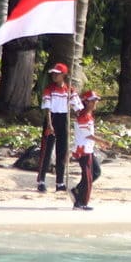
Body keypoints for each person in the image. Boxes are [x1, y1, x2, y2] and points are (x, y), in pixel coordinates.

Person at [37, 63, 82, 193]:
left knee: (62, 151)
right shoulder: (49, 89)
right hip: (52, 119)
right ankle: (41, 181)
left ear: (63, 75)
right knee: (46, 150)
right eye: (54, 73)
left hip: (64, 120)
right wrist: (49, 124)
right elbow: (47, 108)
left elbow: (78, 108)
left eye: (57, 73)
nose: (54, 75)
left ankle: (60, 182)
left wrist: (80, 120)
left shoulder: (69, 90)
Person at [71, 90, 108, 211]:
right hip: (83, 150)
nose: (95, 102)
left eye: (95, 100)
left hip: (88, 149)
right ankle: (80, 202)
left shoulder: (87, 114)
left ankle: (77, 191)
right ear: (86, 102)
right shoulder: (83, 116)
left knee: (95, 172)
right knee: (87, 177)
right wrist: (102, 141)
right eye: (93, 101)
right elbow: (87, 135)